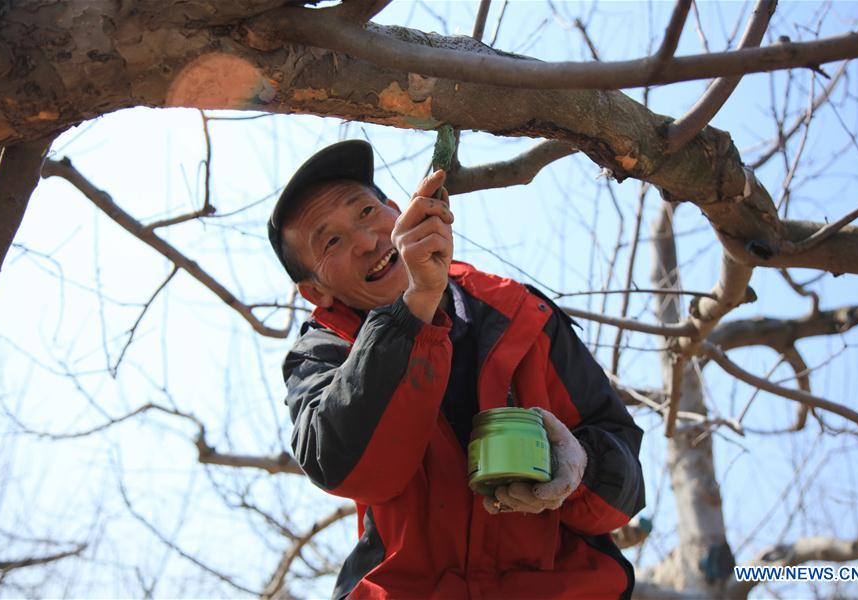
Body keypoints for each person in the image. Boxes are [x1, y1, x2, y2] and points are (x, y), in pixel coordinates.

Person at [268, 140, 645, 600]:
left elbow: (622, 490)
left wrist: (578, 468)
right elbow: (345, 464)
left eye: (366, 212)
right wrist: (414, 307)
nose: (367, 241)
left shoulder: (522, 312)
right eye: (332, 241)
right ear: (316, 293)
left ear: (396, 210)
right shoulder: (323, 351)